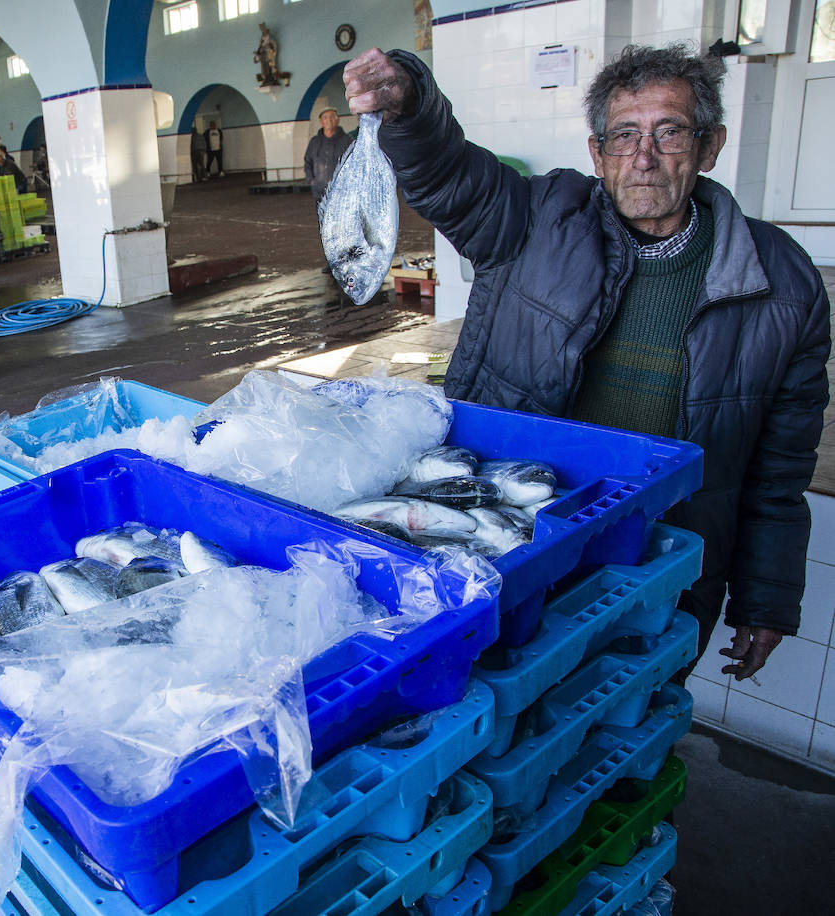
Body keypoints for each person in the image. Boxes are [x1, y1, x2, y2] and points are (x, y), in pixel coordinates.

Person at [343, 44, 832, 682]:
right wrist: (408, 103)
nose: (644, 157)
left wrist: (766, 597)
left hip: (659, 556)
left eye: (669, 132)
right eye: (623, 135)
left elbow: (777, 469)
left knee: (628, 716)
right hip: (509, 534)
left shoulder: (784, 281)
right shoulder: (535, 218)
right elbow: (447, 175)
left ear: (709, 147)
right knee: (502, 710)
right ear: (598, 154)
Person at [304, 108, 354, 205]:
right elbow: (308, 162)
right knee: (322, 219)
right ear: (321, 121)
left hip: (341, 193)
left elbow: (355, 163)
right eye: (325, 117)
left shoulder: (347, 140)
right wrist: (311, 180)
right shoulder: (314, 141)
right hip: (319, 193)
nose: (329, 120)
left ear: (337, 120)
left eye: (332, 117)